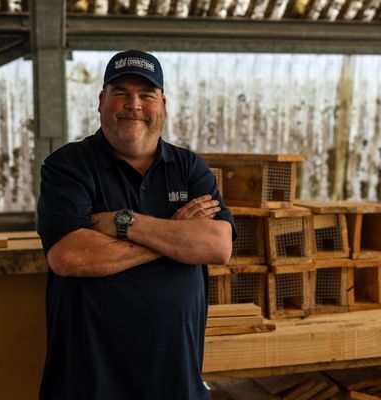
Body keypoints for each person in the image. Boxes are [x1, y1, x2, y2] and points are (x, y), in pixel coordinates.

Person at [36, 49, 235, 400]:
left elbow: (217, 246)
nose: (134, 104)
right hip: (88, 382)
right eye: (121, 94)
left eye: (146, 95)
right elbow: (70, 256)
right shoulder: (69, 166)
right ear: (101, 101)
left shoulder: (189, 168)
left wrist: (122, 223)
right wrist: (175, 235)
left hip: (175, 380)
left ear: (163, 103)